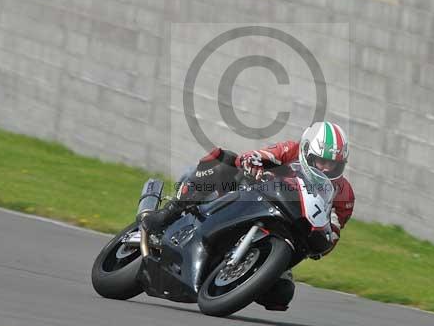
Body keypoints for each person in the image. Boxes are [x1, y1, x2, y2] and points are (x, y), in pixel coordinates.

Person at [140, 121, 355, 311]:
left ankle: (242, 277)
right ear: (307, 151)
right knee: (223, 162)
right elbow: (262, 155)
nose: (326, 168)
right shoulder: (292, 150)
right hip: (255, 199)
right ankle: (171, 212)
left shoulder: (343, 193)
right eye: (321, 161)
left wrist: (326, 242)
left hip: (292, 233)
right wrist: (254, 163)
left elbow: (334, 227)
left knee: (281, 295)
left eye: (332, 164)